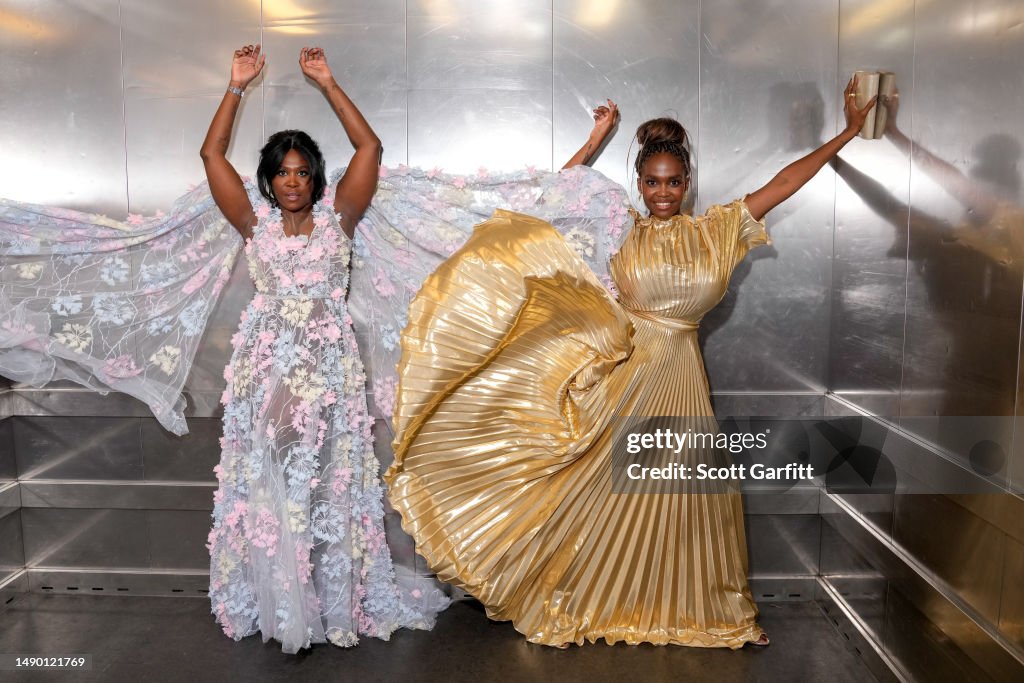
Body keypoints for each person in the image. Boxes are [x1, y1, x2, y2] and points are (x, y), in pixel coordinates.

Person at [382, 79, 876, 648]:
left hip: (683, 377)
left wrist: (848, 133)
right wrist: (593, 140)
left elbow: (785, 182)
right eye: (651, 182)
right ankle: (590, 598)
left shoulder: (717, 230)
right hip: (624, 376)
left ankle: (695, 611)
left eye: (672, 182)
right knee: (603, 497)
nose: (662, 193)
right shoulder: (619, 228)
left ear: (687, 183)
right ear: (639, 184)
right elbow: (550, 210)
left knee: (688, 501)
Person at [200, 44, 446, 653]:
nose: (291, 181)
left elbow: (370, 150)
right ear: (268, 179)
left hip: (328, 370)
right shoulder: (252, 223)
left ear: (316, 177)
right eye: (282, 171)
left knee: (327, 482)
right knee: (274, 480)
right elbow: (211, 154)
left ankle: (331, 599)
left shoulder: (340, 220)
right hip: (266, 368)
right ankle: (279, 599)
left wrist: (329, 83)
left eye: (302, 171)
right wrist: (235, 86)